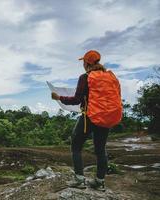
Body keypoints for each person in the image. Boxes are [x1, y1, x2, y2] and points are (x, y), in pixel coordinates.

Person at [51, 50, 121, 191]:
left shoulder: (85, 77)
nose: (83, 64)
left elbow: (77, 100)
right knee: (100, 150)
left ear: (87, 63)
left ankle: (79, 180)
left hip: (89, 117)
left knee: (76, 146)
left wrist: (59, 98)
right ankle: (100, 182)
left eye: (84, 61)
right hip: (106, 117)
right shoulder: (111, 77)